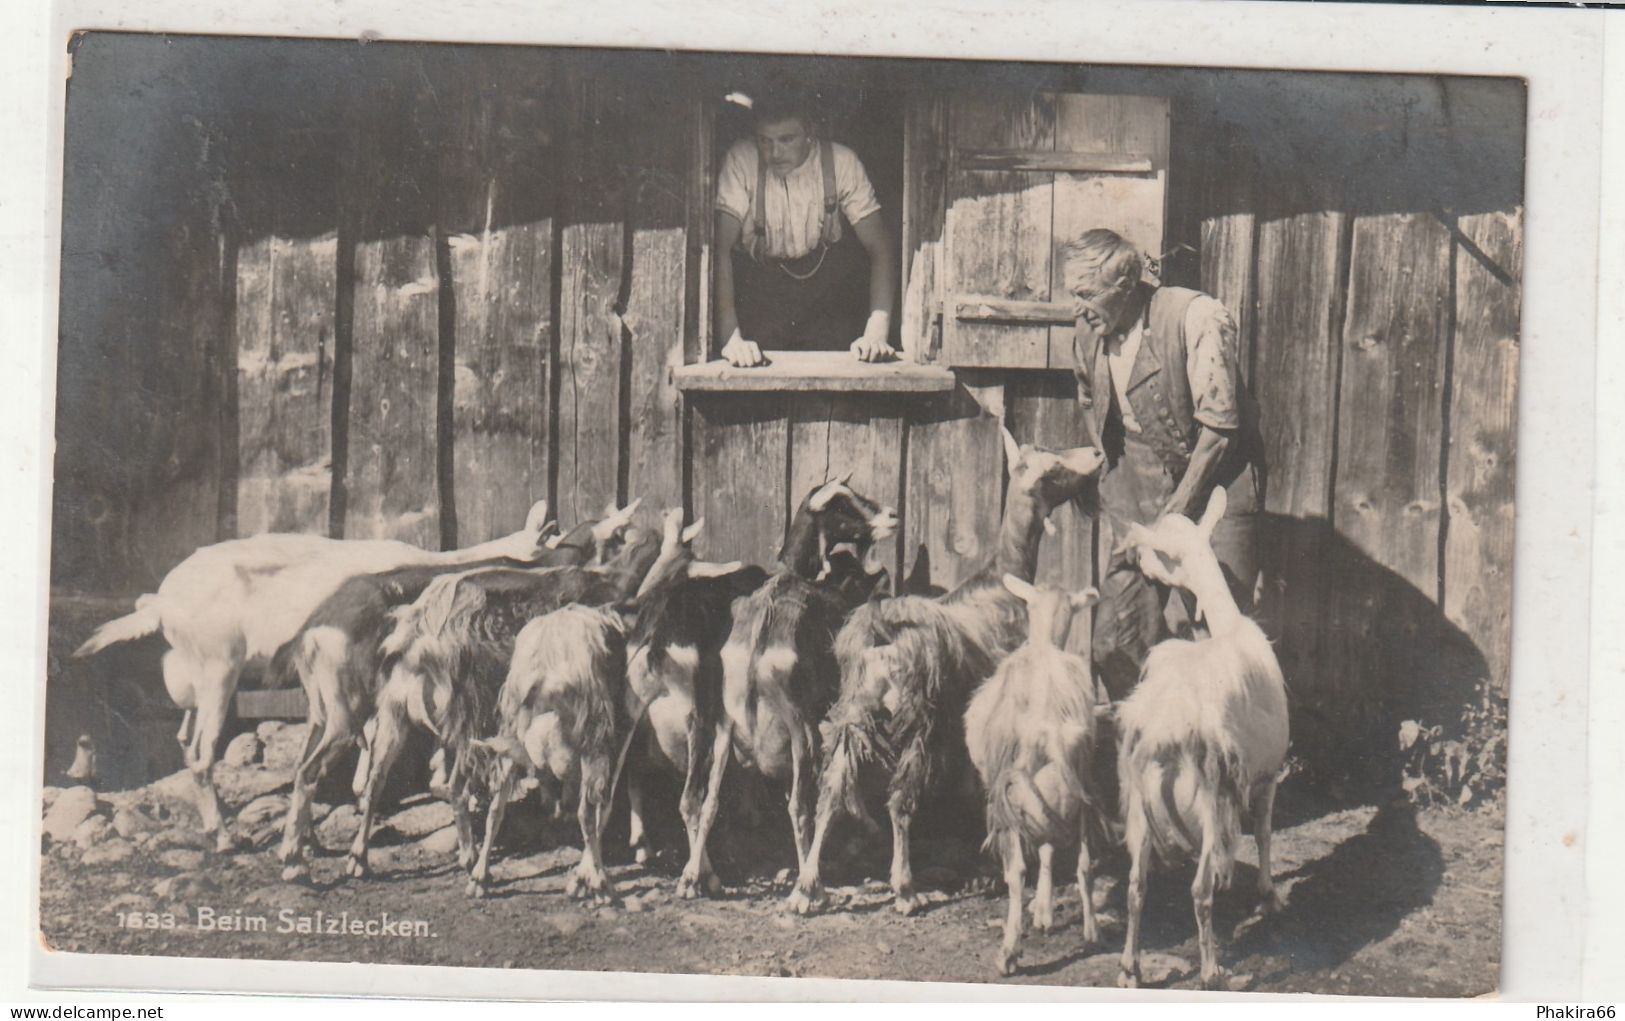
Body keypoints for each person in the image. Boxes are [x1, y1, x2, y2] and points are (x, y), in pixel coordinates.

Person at [1062, 228, 1266, 700]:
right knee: (1117, 636)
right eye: (1073, 294)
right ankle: (1138, 749)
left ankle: (1219, 757)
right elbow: (1088, 394)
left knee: (1216, 639)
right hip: (1138, 482)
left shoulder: (1195, 317)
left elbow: (1219, 431)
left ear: (1127, 284)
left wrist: (1175, 517)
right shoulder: (1089, 329)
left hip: (1217, 484)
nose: (1077, 307)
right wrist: (1116, 484)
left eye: (1086, 294)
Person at [713, 94, 896, 367]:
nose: (774, 153)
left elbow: (880, 248)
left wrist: (876, 333)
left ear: (811, 134)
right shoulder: (742, 160)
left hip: (826, 296)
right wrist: (731, 339)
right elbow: (720, 248)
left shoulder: (841, 163)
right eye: (765, 140)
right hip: (760, 294)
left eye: (787, 139)